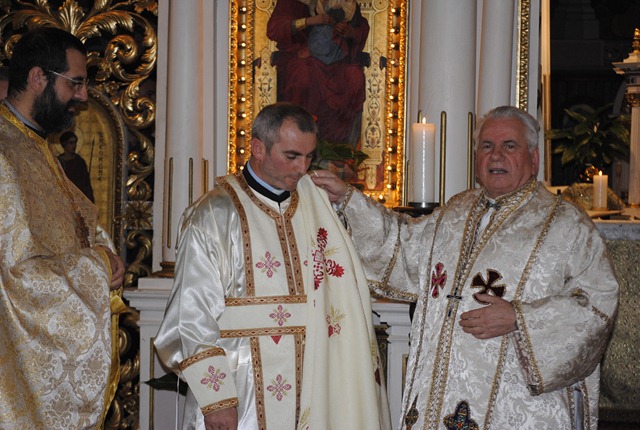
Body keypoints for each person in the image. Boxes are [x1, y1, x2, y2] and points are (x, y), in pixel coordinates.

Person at [311, 105, 619, 429]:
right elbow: (401, 244)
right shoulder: (456, 211)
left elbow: (598, 304)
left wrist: (520, 319)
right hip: (440, 400)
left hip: (517, 409)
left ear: (534, 158)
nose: (496, 155)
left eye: (509, 145)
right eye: (487, 146)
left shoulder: (567, 225)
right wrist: (348, 200)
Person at [154, 102, 390, 430]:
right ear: (258, 148)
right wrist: (216, 398)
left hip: (315, 383)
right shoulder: (214, 214)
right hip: (242, 387)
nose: (302, 168)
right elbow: (188, 317)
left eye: (309, 157)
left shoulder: (318, 205)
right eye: (292, 156)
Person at [0, 27, 125, 429]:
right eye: (76, 83)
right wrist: (97, 266)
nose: (83, 96)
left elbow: (75, 225)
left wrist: (105, 254)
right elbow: (15, 275)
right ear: (38, 77)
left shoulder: (35, 147)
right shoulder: (3, 153)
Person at [267, 0, 369, 147]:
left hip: (337, 59)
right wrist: (308, 21)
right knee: (303, 75)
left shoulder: (344, 3)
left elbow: (360, 27)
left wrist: (350, 32)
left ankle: (341, 147)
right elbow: (274, 29)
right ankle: (298, 139)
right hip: (300, 55)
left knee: (354, 76)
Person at [58, 130, 95, 202]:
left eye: (75, 142)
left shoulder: (80, 162)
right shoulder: (58, 161)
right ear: (64, 144)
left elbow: (86, 184)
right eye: (71, 143)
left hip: (77, 198)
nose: (74, 145)